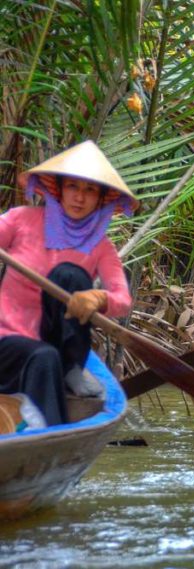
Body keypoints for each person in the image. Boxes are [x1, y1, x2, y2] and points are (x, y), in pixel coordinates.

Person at [0, 141, 137, 426]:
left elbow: (122, 300)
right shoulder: (21, 220)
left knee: (70, 276)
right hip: (7, 342)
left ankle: (71, 370)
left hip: (57, 349)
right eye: (73, 187)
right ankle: (50, 437)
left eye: (89, 190)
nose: (79, 198)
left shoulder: (100, 246)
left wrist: (98, 299)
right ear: (59, 190)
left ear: (101, 199)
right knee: (43, 357)